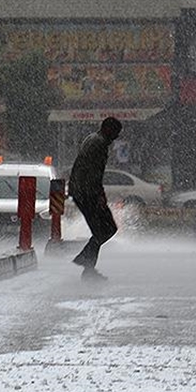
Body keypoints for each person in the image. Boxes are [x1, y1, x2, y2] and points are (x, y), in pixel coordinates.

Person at [69, 117, 122, 279]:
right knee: (106, 229)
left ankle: (87, 264)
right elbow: (93, 173)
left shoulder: (93, 139)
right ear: (108, 129)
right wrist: (98, 195)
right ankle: (86, 263)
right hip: (86, 193)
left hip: (81, 191)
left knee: (103, 230)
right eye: (115, 133)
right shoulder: (99, 144)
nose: (116, 138)